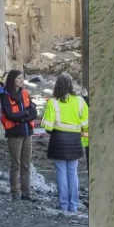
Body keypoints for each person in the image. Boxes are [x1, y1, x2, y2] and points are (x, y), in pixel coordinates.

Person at [41, 73, 89, 214]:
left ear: (57, 85)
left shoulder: (52, 102)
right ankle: (73, 206)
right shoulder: (80, 101)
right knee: (73, 173)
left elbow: (48, 128)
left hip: (58, 142)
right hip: (75, 142)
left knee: (61, 173)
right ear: (71, 85)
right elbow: (86, 125)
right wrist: (84, 143)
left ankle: (63, 206)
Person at [0, 69, 37, 200]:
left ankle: (26, 193)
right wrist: (26, 113)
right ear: (13, 80)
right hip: (15, 134)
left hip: (27, 132)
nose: (21, 80)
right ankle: (15, 192)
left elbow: (34, 112)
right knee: (16, 165)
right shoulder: (5, 95)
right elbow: (10, 115)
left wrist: (23, 117)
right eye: (19, 78)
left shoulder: (25, 93)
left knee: (26, 165)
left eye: (22, 78)